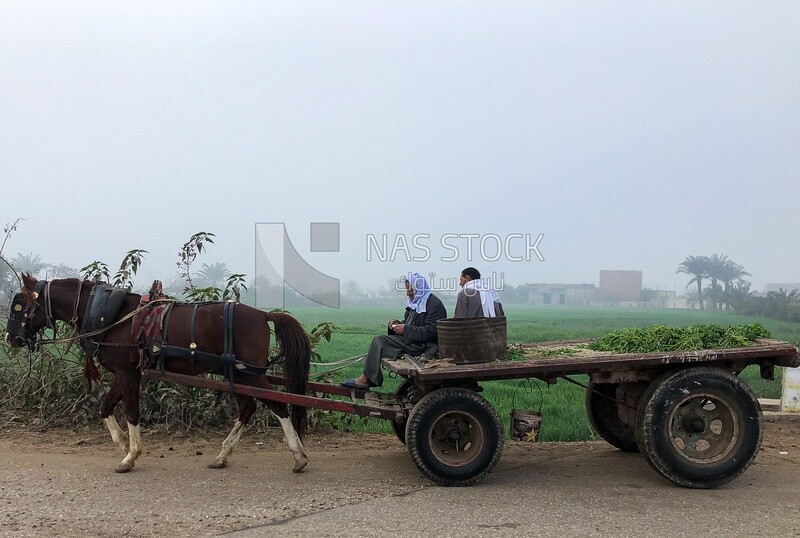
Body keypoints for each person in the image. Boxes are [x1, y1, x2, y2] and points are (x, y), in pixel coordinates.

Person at [342, 272, 447, 389]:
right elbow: (409, 323)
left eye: (410, 290)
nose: (407, 293)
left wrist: (405, 329)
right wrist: (397, 324)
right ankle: (367, 377)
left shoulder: (434, 304)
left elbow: (431, 332)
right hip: (411, 341)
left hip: (423, 346)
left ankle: (365, 379)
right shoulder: (415, 302)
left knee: (379, 341)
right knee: (379, 341)